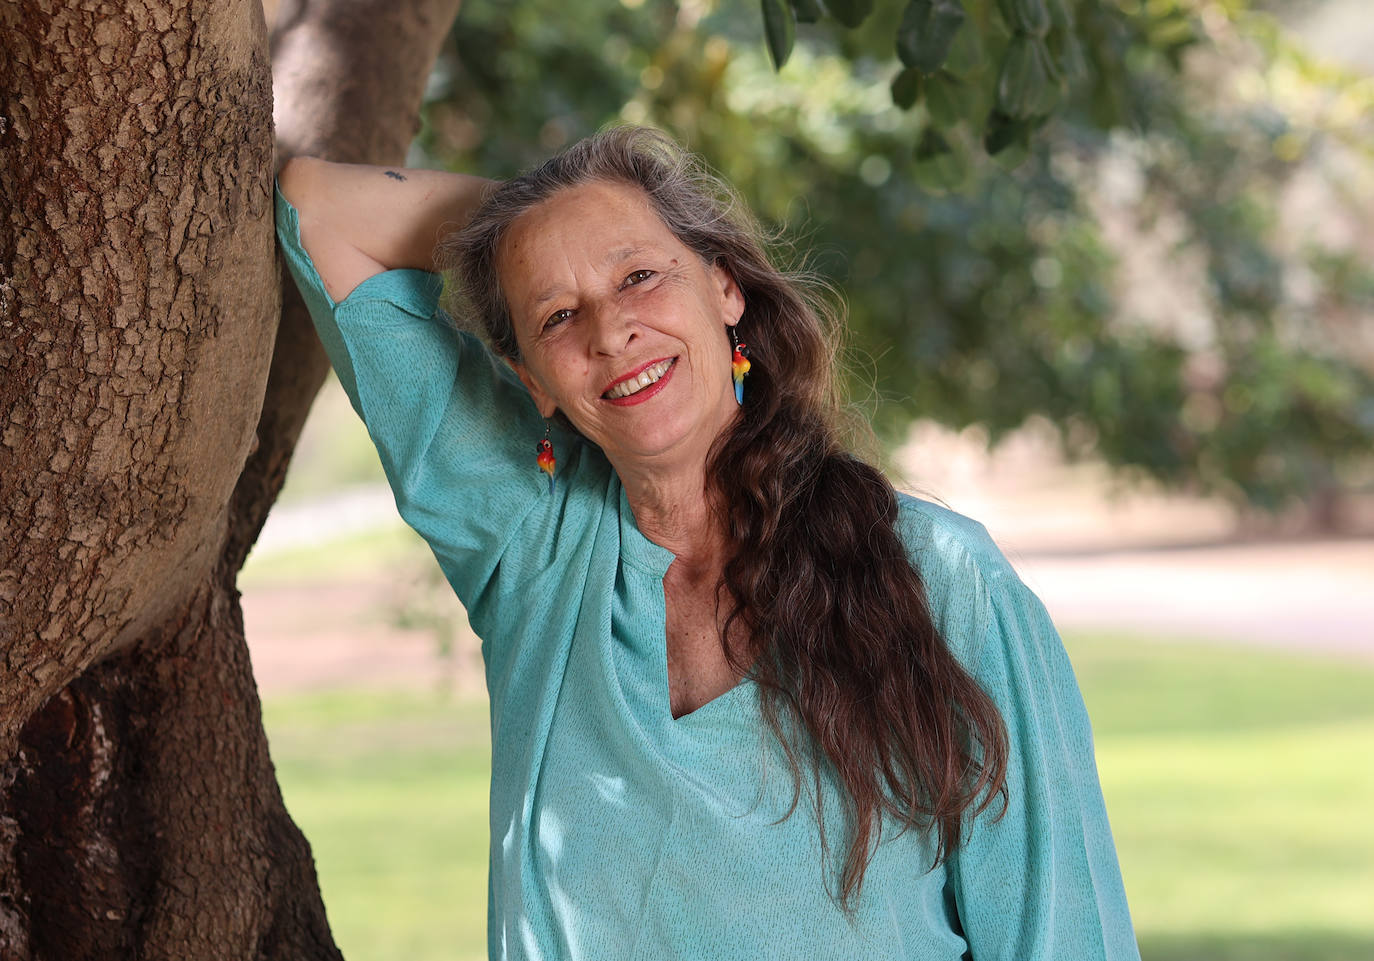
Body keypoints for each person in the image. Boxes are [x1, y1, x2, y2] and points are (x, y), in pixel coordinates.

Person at [275, 125, 1140, 960]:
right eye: (558, 315)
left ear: (725, 288)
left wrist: (566, 219)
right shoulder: (533, 549)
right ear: (533, 381)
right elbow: (320, 209)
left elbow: (1062, 933)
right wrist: (537, 222)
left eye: (642, 275)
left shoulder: (948, 582)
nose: (610, 332)